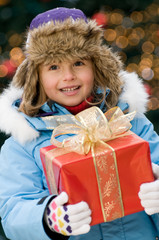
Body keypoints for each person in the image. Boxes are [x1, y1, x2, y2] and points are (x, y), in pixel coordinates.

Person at [0, 7, 159, 240]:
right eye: (54, 67)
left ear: (96, 66)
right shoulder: (24, 142)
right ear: (37, 77)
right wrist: (47, 218)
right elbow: (13, 209)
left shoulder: (130, 123)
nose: (68, 76)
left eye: (78, 63)